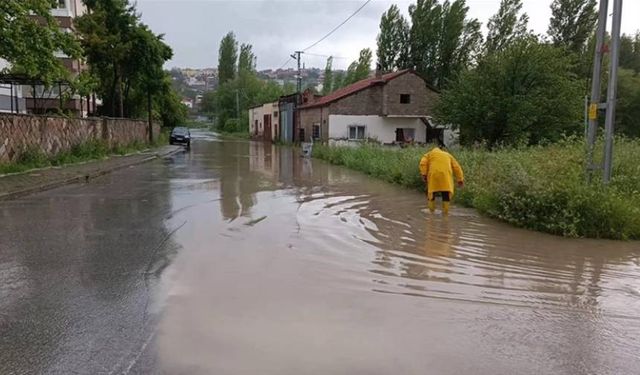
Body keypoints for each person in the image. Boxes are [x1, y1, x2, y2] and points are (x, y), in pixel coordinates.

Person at [419, 143, 464, 215]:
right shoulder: (448, 155)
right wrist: (460, 179)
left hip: (434, 176)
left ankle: (431, 213)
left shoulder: (429, 154)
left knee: (431, 194)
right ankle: (445, 214)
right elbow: (457, 167)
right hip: (446, 177)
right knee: (445, 194)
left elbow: (423, 163)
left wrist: (424, 174)